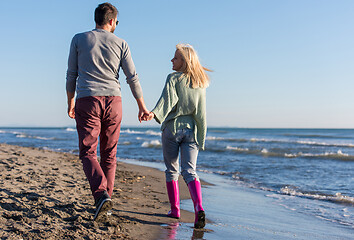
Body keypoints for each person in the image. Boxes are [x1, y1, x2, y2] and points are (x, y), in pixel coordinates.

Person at [66, 2, 150, 221]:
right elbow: (133, 77)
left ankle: (101, 195)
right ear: (112, 21)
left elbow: (71, 74)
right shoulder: (121, 43)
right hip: (114, 101)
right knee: (109, 153)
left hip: (88, 99)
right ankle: (106, 201)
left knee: (88, 152)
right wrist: (141, 106)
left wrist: (70, 102)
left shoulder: (78, 39)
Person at [146, 44, 211, 228]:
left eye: (175, 58)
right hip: (191, 132)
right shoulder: (200, 83)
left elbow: (168, 101)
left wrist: (153, 114)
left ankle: (175, 209)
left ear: (184, 61)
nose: (172, 60)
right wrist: (201, 138)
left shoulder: (173, 78)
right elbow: (201, 114)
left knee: (172, 170)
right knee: (190, 171)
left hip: (172, 130)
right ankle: (199, 208)